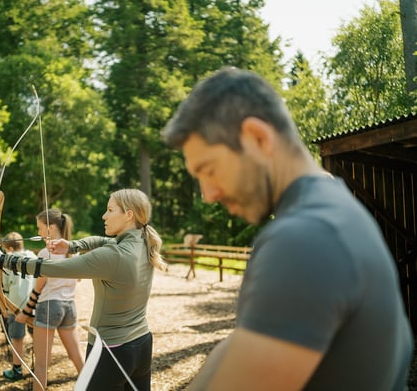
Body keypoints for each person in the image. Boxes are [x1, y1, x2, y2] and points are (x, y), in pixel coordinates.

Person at [161, 66, 413, 390]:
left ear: (258, 137)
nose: (208, 195)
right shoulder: (336, 211)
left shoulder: (305, 239)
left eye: (208, 169)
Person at [0, 189, 167, 391]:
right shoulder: (142, 240)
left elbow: (52, 268)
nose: (104, 215)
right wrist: (71, 246)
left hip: (111, 350)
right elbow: (100, 240)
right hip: (141, 343)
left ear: (129, 214)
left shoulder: (114, 255)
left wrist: (4, 260)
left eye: (110, 210)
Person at [19, 209, 84, 391]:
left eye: (40, 228)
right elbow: (77, 278)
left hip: (49, 306)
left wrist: (25, 312)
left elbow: (39, 286)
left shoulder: (45, 253)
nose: (38, 232)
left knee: (41, 364)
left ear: (52, 227)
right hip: (69, 307)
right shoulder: (73, 251)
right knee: (77, 357)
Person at [0, 231, 37, 381]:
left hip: (14, 305)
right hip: (33, 304)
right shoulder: (33, 257)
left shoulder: (8, 261)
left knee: (17, 338)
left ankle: (17, 369)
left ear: (9, 249)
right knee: (36, 335)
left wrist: (4, 305)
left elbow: (6, 286)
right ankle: (40, 366)